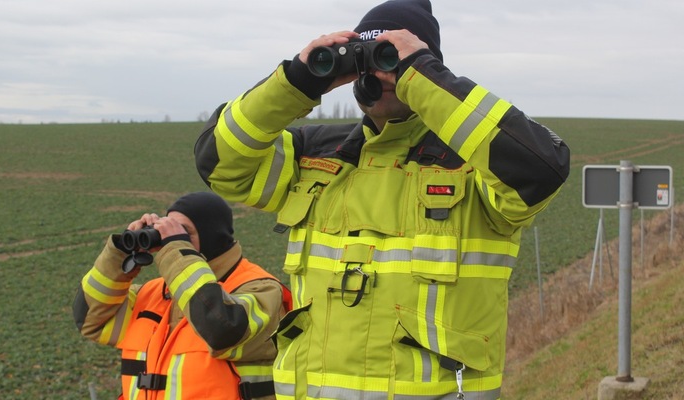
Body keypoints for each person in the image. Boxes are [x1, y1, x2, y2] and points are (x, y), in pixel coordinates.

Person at [194, 0, 571, 398]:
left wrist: (422, 74)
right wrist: (294, 82)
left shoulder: (474, 164)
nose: (377, 70)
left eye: (389, 57)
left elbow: (541, 170)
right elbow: (219, 161)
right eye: (366, 58)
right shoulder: (312, 156)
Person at [72, 191, 291, 400]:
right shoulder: (152, 294)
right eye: (167, 230)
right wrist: (119, 255)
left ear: (211, 238)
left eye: (182, 232)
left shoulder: (261, 289)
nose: (169, 240)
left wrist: (177, 253)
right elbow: (91, 320)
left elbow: (222, 329)